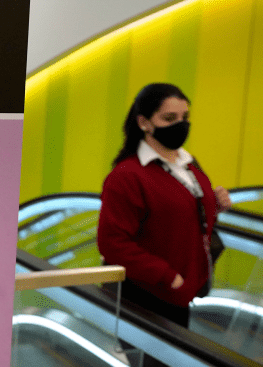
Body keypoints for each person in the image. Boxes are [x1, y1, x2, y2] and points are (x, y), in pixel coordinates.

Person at [97, 83, 232, 331]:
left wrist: (214, 202)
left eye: (184, 117)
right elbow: (112, 243)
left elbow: (179, 212)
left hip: (182, 292)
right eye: (169, 118)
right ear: (144, 123)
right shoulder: (127, 175)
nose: (181, 125)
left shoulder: (188, 164)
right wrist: (169, 278)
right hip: (144, 295)